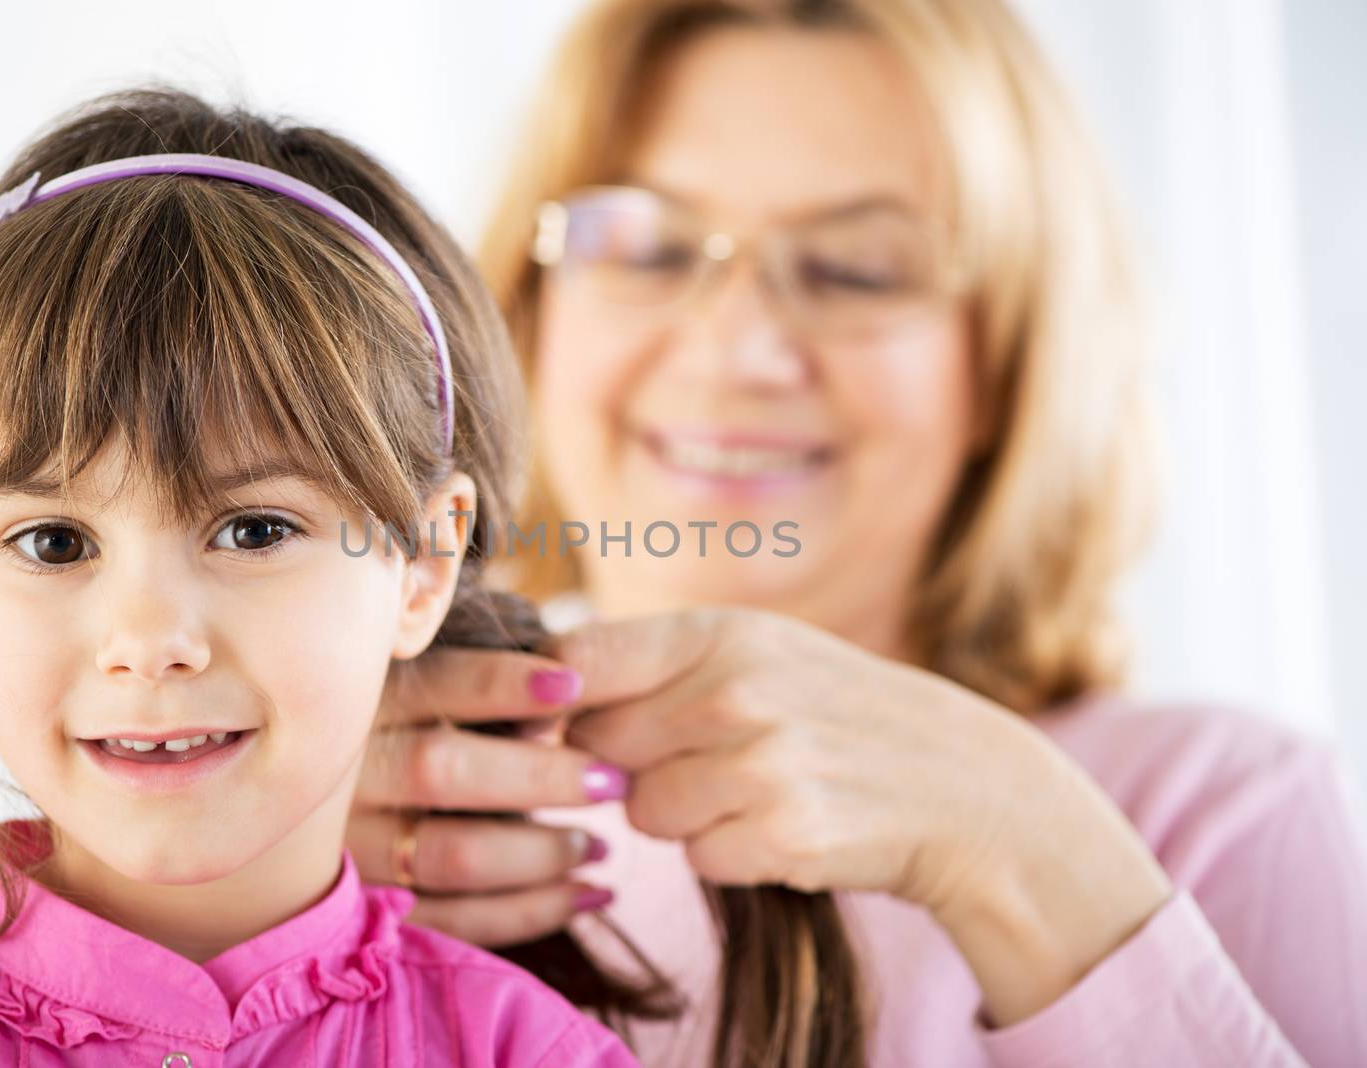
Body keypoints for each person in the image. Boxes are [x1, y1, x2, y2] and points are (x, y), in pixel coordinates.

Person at [344, 0, 1367, 1065]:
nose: (733, 348)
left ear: (1010, 367)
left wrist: (1019, 851)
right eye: (646, 246)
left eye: (855, 270)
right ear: (529, 308)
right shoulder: (330, 768)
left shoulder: (1221, 807)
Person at [0, 87, 642, 1067]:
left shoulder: (528, 1052)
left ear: (424, 564)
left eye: (253, 529)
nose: (145, 640)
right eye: (54, 542)